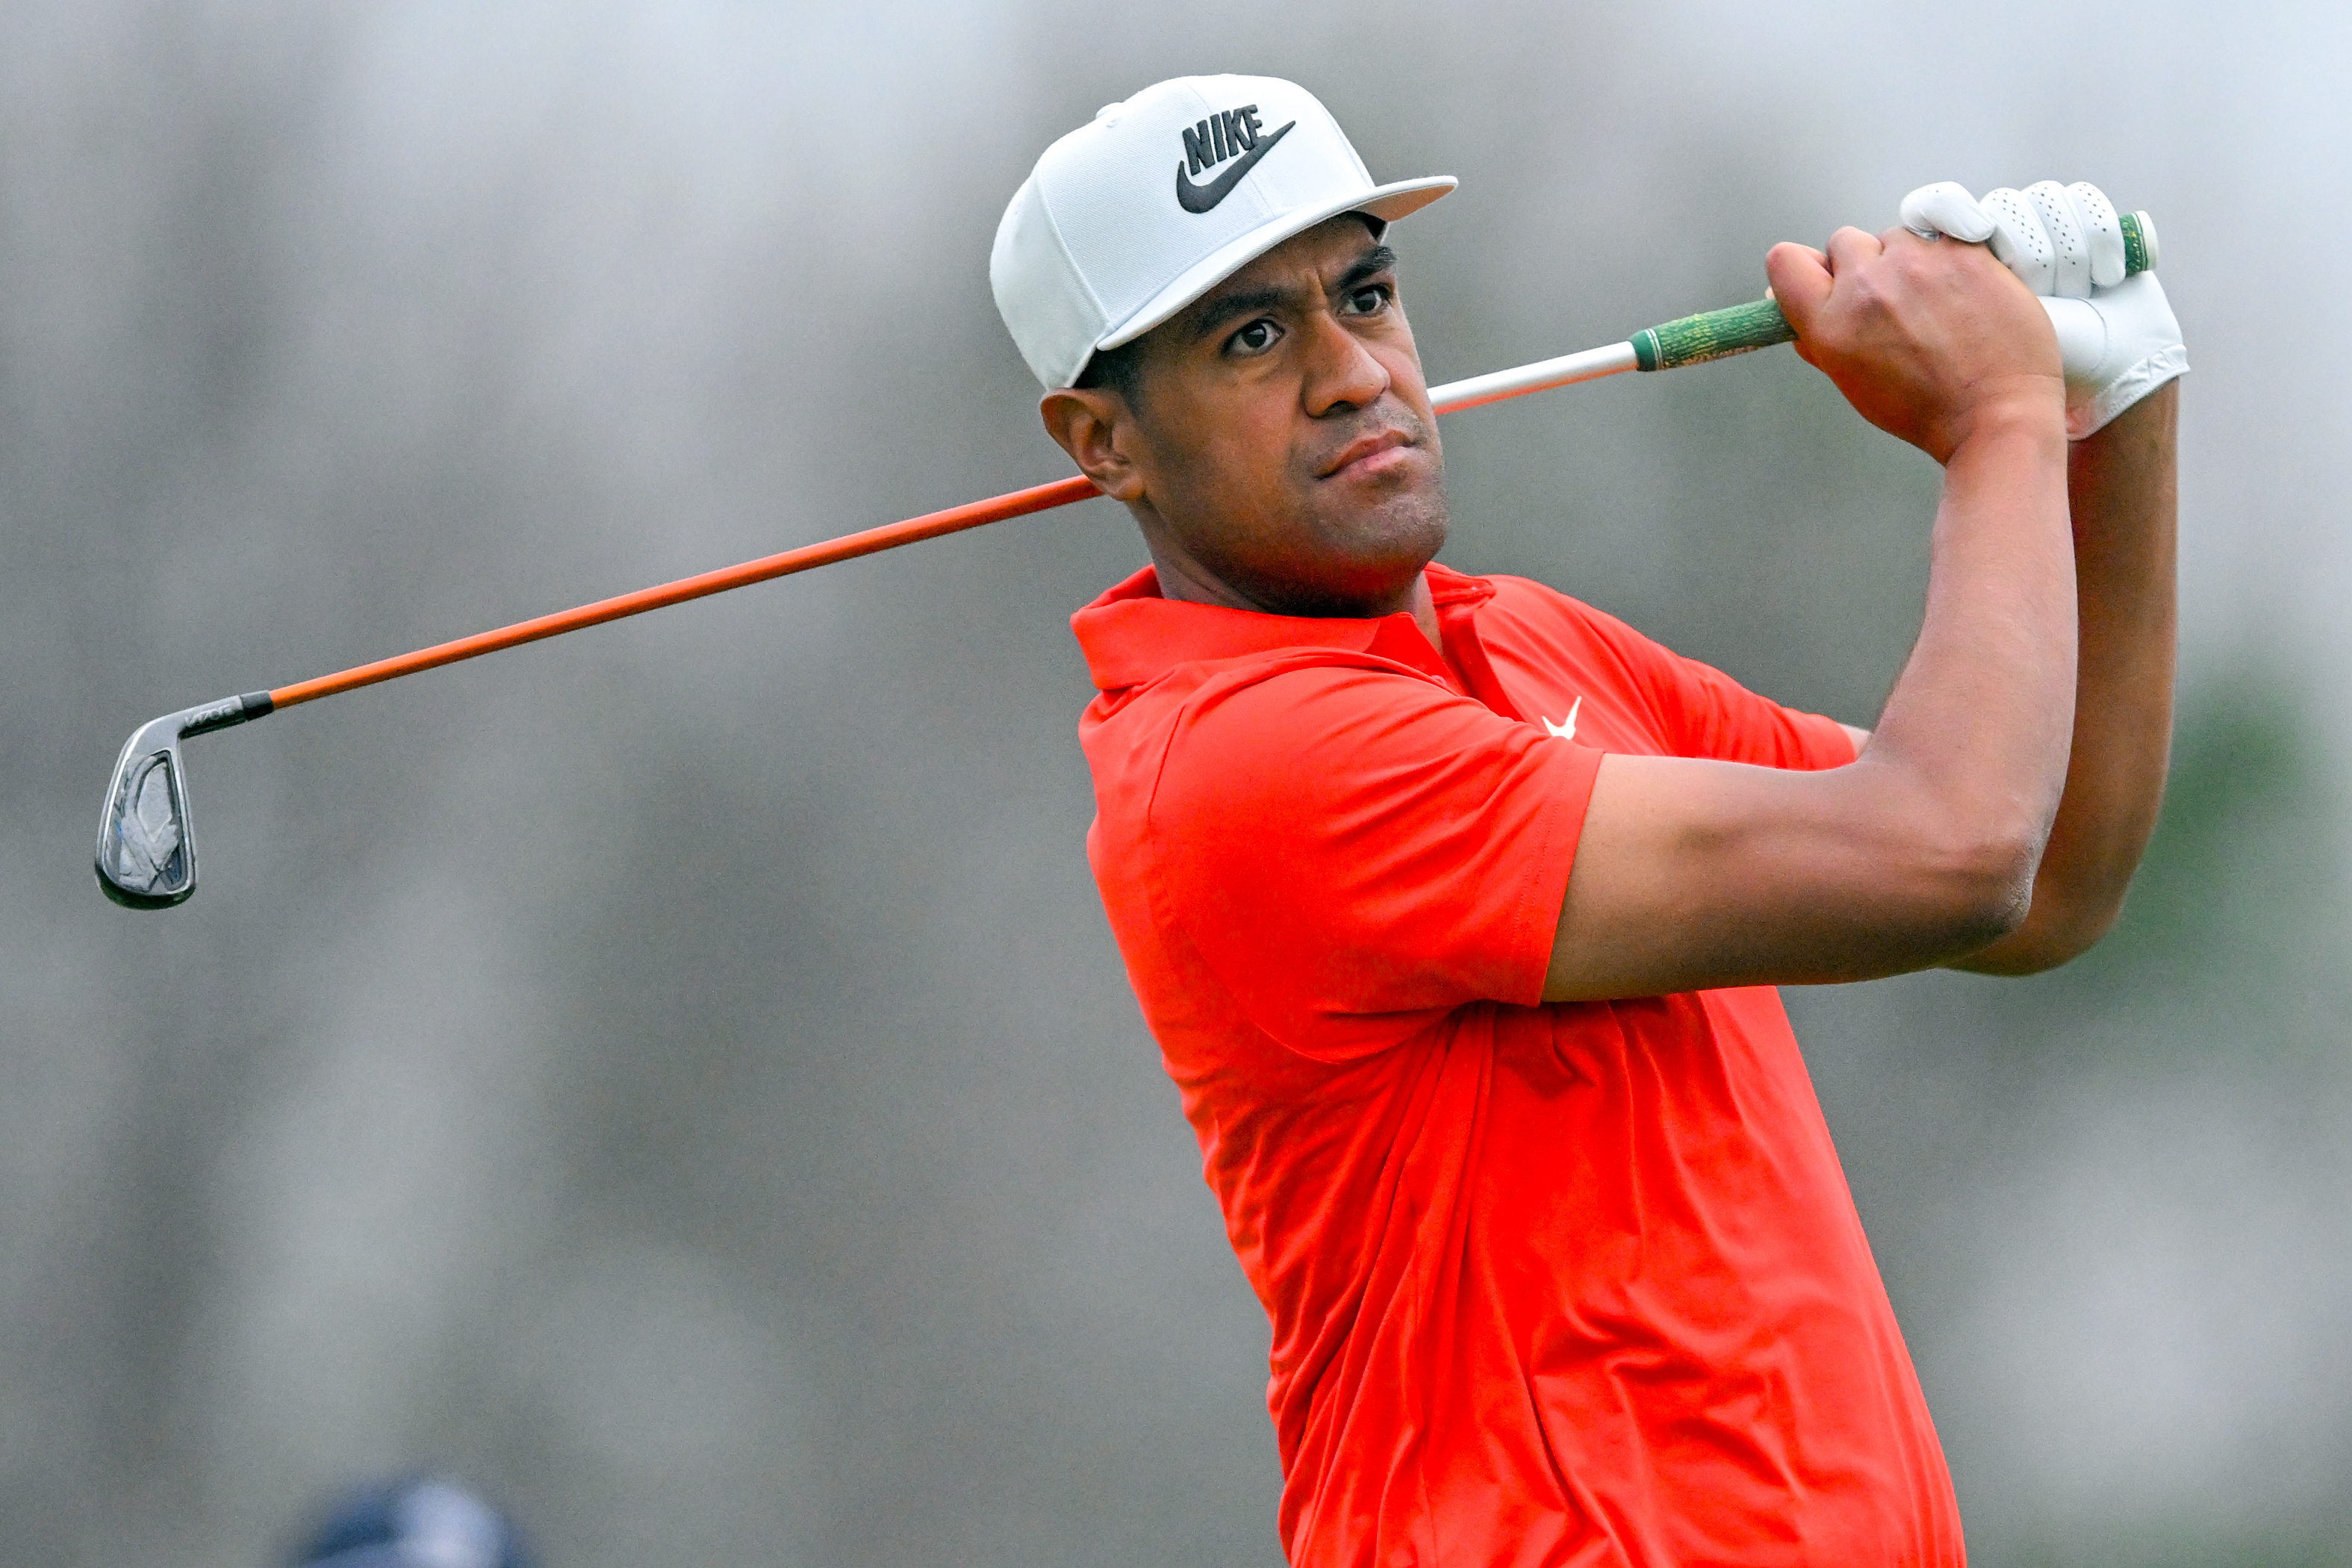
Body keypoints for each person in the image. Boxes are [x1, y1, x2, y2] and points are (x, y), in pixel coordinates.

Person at [991, 75, 2181, 1566]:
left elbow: (2049, 872)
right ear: (1104, 442)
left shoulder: (1536, 645)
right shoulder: (1248, 765)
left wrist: (2106, 414)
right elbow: (1949, 851)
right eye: (1253, 338)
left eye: (1364, 292)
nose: (1356, 373)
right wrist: (1998, 416)